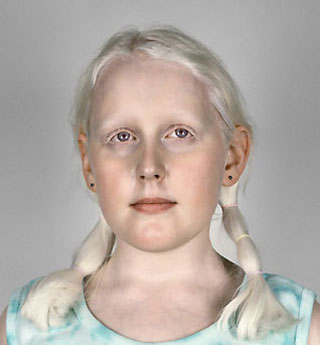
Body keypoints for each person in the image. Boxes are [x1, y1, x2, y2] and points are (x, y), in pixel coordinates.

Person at [0, 24, 319, 345]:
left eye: (180, 133)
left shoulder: (297, 328)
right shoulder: (27, 328)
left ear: (232, 158)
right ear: (88, 163)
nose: (149, 167)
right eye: (122, 136)